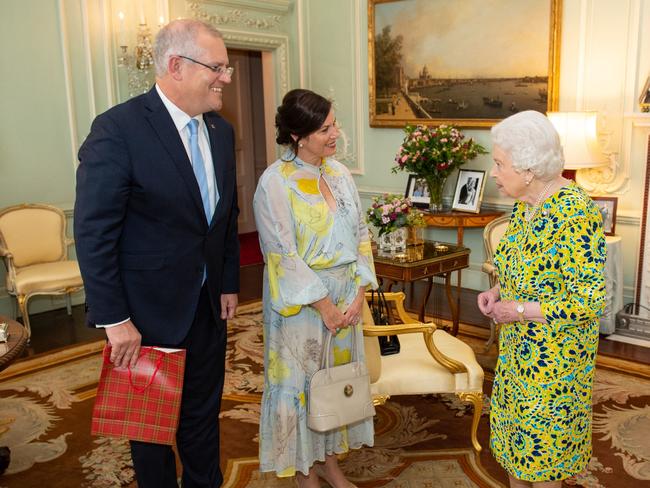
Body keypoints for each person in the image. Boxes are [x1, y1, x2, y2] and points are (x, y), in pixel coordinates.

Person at [74, 19, 239, 488]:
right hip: (145, 317)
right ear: (176, 66)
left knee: (203, 419)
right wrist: (114, 319)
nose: (226, 77)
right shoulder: (118, 129)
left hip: (208, 308)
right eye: (218, 67)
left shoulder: (220, 132)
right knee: (149, 432)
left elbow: (225, 215)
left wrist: (227, 279)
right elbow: (94, 232)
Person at [253, 89, 378, 488]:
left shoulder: (340, 174)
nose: (335, 134)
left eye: (334, 124)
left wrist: (358, 294)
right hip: (303, 306)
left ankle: (329, 462)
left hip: (347, 300)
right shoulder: (275, 183)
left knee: (332, 387)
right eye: (325, 128)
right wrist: (325, 305)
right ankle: (305, 472)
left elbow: (361, 233)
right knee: (302, 386)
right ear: (297, 135)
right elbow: (282, 254)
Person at [477, 110, 606, 488]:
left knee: (543, 458)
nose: (495, 172)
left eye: (500, 164)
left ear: (529, 168)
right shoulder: (525, 206)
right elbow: (519, 267)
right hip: (519, 352)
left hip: (556, 360)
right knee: (519, 455)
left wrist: (517, 311)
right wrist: (496, 292)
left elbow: (588, 301)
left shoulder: (575, 212)